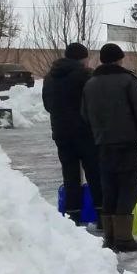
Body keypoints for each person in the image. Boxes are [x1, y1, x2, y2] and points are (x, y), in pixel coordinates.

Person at [80, 43, 137, 252]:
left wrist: (99, 134)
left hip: (102, 145)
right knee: (128, 188)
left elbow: (85, 115)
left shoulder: (91, 84)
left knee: (109, 189)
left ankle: (110, 237)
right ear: (119, 59)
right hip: (126, 144)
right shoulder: (128, 81)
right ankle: (123, 239)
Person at [41, 42, 103, 227]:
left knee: (70, 176)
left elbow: (48, 105)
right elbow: (94, 103)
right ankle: (102, 216)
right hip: (85, 132)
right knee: (94, 174)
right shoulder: (86, 76)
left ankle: (72, 219)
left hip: (61, 133)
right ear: (82, 58)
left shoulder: (50, 77)